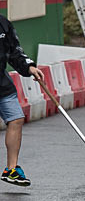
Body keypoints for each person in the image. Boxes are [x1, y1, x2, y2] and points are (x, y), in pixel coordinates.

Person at [0, 13, 45, 186]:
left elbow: (15, 52)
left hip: (2, 84)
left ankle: (11, 170)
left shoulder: (3, 23)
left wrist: (30, 67)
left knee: (16, 119)